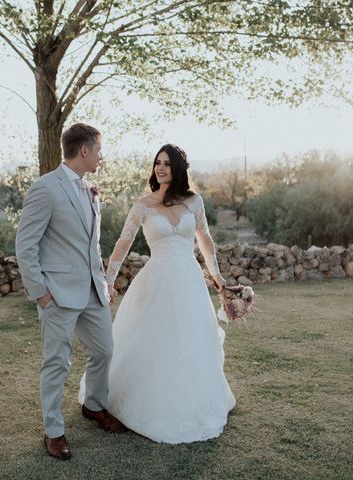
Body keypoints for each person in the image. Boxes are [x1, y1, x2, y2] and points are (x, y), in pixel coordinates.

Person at [79, 143, 236, 443]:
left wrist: (218, 278)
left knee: (191, 341)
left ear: (178, 168)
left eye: (167, 163)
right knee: (155, 342)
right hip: (157, 280)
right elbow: (123, 244)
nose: (160, 168)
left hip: (189, 280)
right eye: (157, 163)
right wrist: (108, 281)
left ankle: (195, 401)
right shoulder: (143, 205)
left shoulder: (194, 202)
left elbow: (206, 241)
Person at [16, 123, 127, 461]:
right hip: (58, 294)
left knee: (105, 350)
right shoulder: (45, 188)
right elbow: (25, 245)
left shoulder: (91, 190)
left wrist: (103, 283)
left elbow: (91, 246)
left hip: (92, 291)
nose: (101, 156)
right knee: (56, 362)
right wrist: (41, 294)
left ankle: (93, 405)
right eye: (98, 150)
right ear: (84, 151)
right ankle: (53, 431)